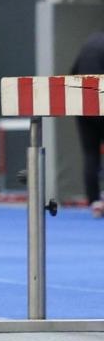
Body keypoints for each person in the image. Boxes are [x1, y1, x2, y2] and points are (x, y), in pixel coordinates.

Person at [71, 30, 104, 215]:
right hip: (101, 103)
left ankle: (94, 202)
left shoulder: (89, 42)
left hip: (83, 106)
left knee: (90, 154)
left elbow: (73, 72)